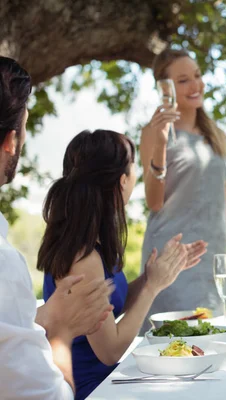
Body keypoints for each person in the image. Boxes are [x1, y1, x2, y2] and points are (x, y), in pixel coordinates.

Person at [37, 129, 207, 399]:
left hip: (110, 381)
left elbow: (110, 307)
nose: (136, 175)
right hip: (93, 390)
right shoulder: (83, 259)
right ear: (121, 180)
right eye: (133, 166)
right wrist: (153, 287)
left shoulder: (88, 243)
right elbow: (110, 351)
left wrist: (150, 276)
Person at [0, 56, 115, 400]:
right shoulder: (4, 263)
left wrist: (44, 316)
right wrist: (61, 333)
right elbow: (48, 396)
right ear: (11, 140)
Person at [139, 48, 226, 327]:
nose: (195, 85)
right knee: (178, 346)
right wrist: (162, 144)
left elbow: (225, 204)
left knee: (216, 340)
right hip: (173, 258)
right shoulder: (152, 132)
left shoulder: (216, 135)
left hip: (214, 260)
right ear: (166, 88)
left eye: (197, 76)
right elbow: (154, 202)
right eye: (184, 79)